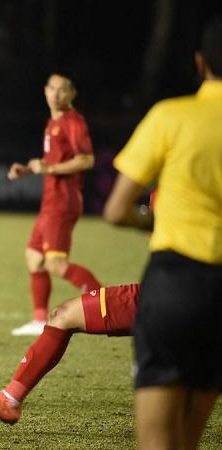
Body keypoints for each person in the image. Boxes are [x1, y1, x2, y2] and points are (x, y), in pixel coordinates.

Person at [102, 17, 222, 450]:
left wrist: (154, 221)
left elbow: (116, 210)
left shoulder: (172, 116)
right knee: (190, 438)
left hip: (176, 283)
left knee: (158, 440)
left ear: (200, 60)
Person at [0, 284, 140, 424]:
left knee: (63, 315)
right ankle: (10, 399)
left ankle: (10, 399)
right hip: (158, 288)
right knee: (62, 315)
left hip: (161, 293)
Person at [7, 71, 102, 336]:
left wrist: (48, 168)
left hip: (63, 201)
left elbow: (86, 160)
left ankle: (106, 303)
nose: (56, 94)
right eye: (52, 88)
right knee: (34, 259)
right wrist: (28, 169)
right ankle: (39, 321)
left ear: (72, 94)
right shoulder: (53, 122)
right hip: (51, 201)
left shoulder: (74, 122)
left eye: (62, 90)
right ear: (45, 90)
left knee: (55, 264)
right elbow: (53, 162)